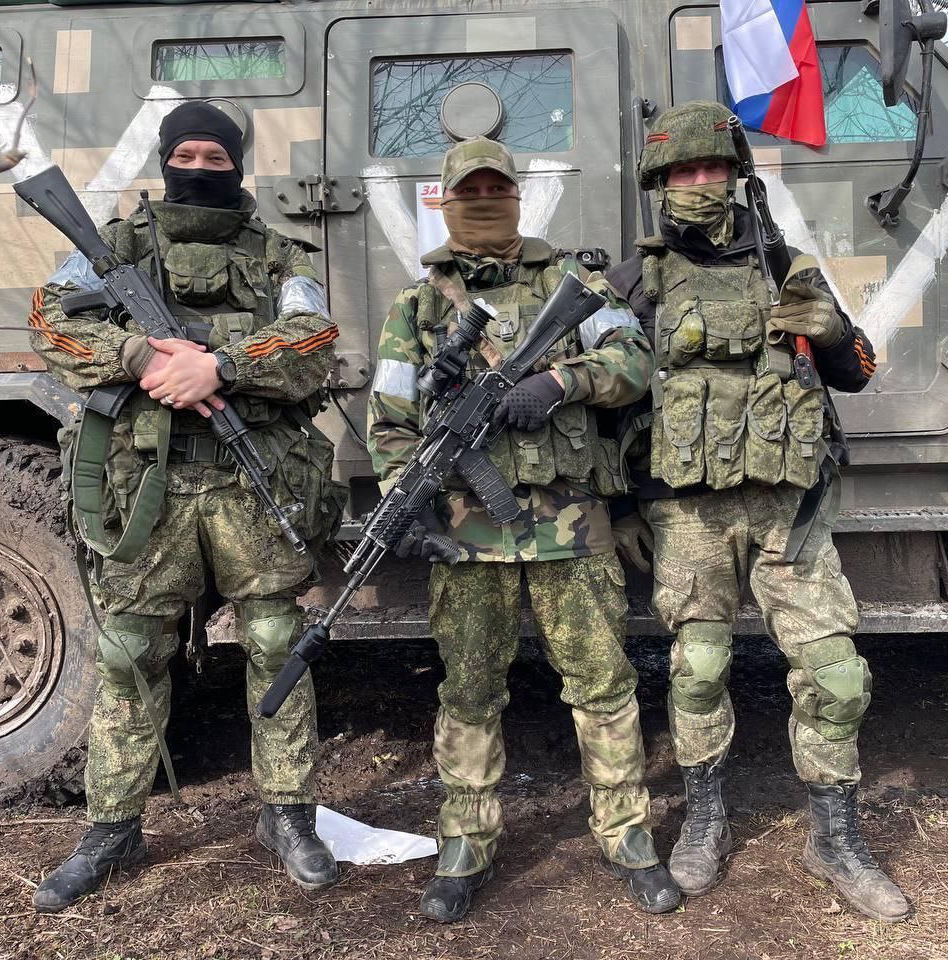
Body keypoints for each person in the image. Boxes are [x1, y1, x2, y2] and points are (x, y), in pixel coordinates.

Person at [28, 101, 344, 912]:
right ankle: (112, 830)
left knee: (276, 640)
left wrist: (221, 368)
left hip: (250, 481)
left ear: (238, 164)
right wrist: (137, 353)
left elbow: (313, 342)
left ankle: (287, 815)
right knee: (130, 650)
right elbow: (50, 324)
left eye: (216, 156)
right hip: (147, 486)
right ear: (166, 159)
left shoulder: (278, 255)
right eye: (187, 154)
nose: (199, 167)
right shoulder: (116, 246)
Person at [605, 100, 908, 923]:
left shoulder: (786, 264)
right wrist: (620, 507)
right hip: (687, 516)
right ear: (660, 181)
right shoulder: (632, 284)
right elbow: (605, 410)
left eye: (713, 167)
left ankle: (834, 839)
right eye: (683, 170)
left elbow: (858, 371)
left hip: (788, 510)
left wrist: (833, 332)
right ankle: (705, 820)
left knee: (837, 675)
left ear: (737, 176)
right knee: (698, 670)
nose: (700, 182)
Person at [367, 136, 680, 922]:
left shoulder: (575, 283)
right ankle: (466, 842)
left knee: (603, 684)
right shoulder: (417, 306)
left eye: (495, 188)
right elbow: (390, 421)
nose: (483, 201)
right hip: (469, 537)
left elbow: (635, 361)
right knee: (470, 691)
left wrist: (560, 381)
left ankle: (628, 835)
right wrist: (405, 499)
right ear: (445, 201)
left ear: (515, 195)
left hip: (572, 524)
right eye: (467, 191)